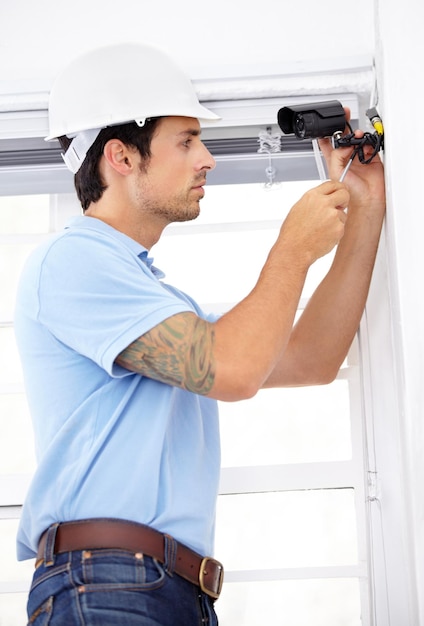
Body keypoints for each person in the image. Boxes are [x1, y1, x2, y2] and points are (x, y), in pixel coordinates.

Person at [14, 42, 386, 625]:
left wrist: (365, 208)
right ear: (121, 156)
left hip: (162, 590)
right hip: (110, 586)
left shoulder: (156, 305)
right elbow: (232, 368)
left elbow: (313, 357)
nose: (207, 158)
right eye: (186, 141)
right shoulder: (71, 262)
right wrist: (291, 250)